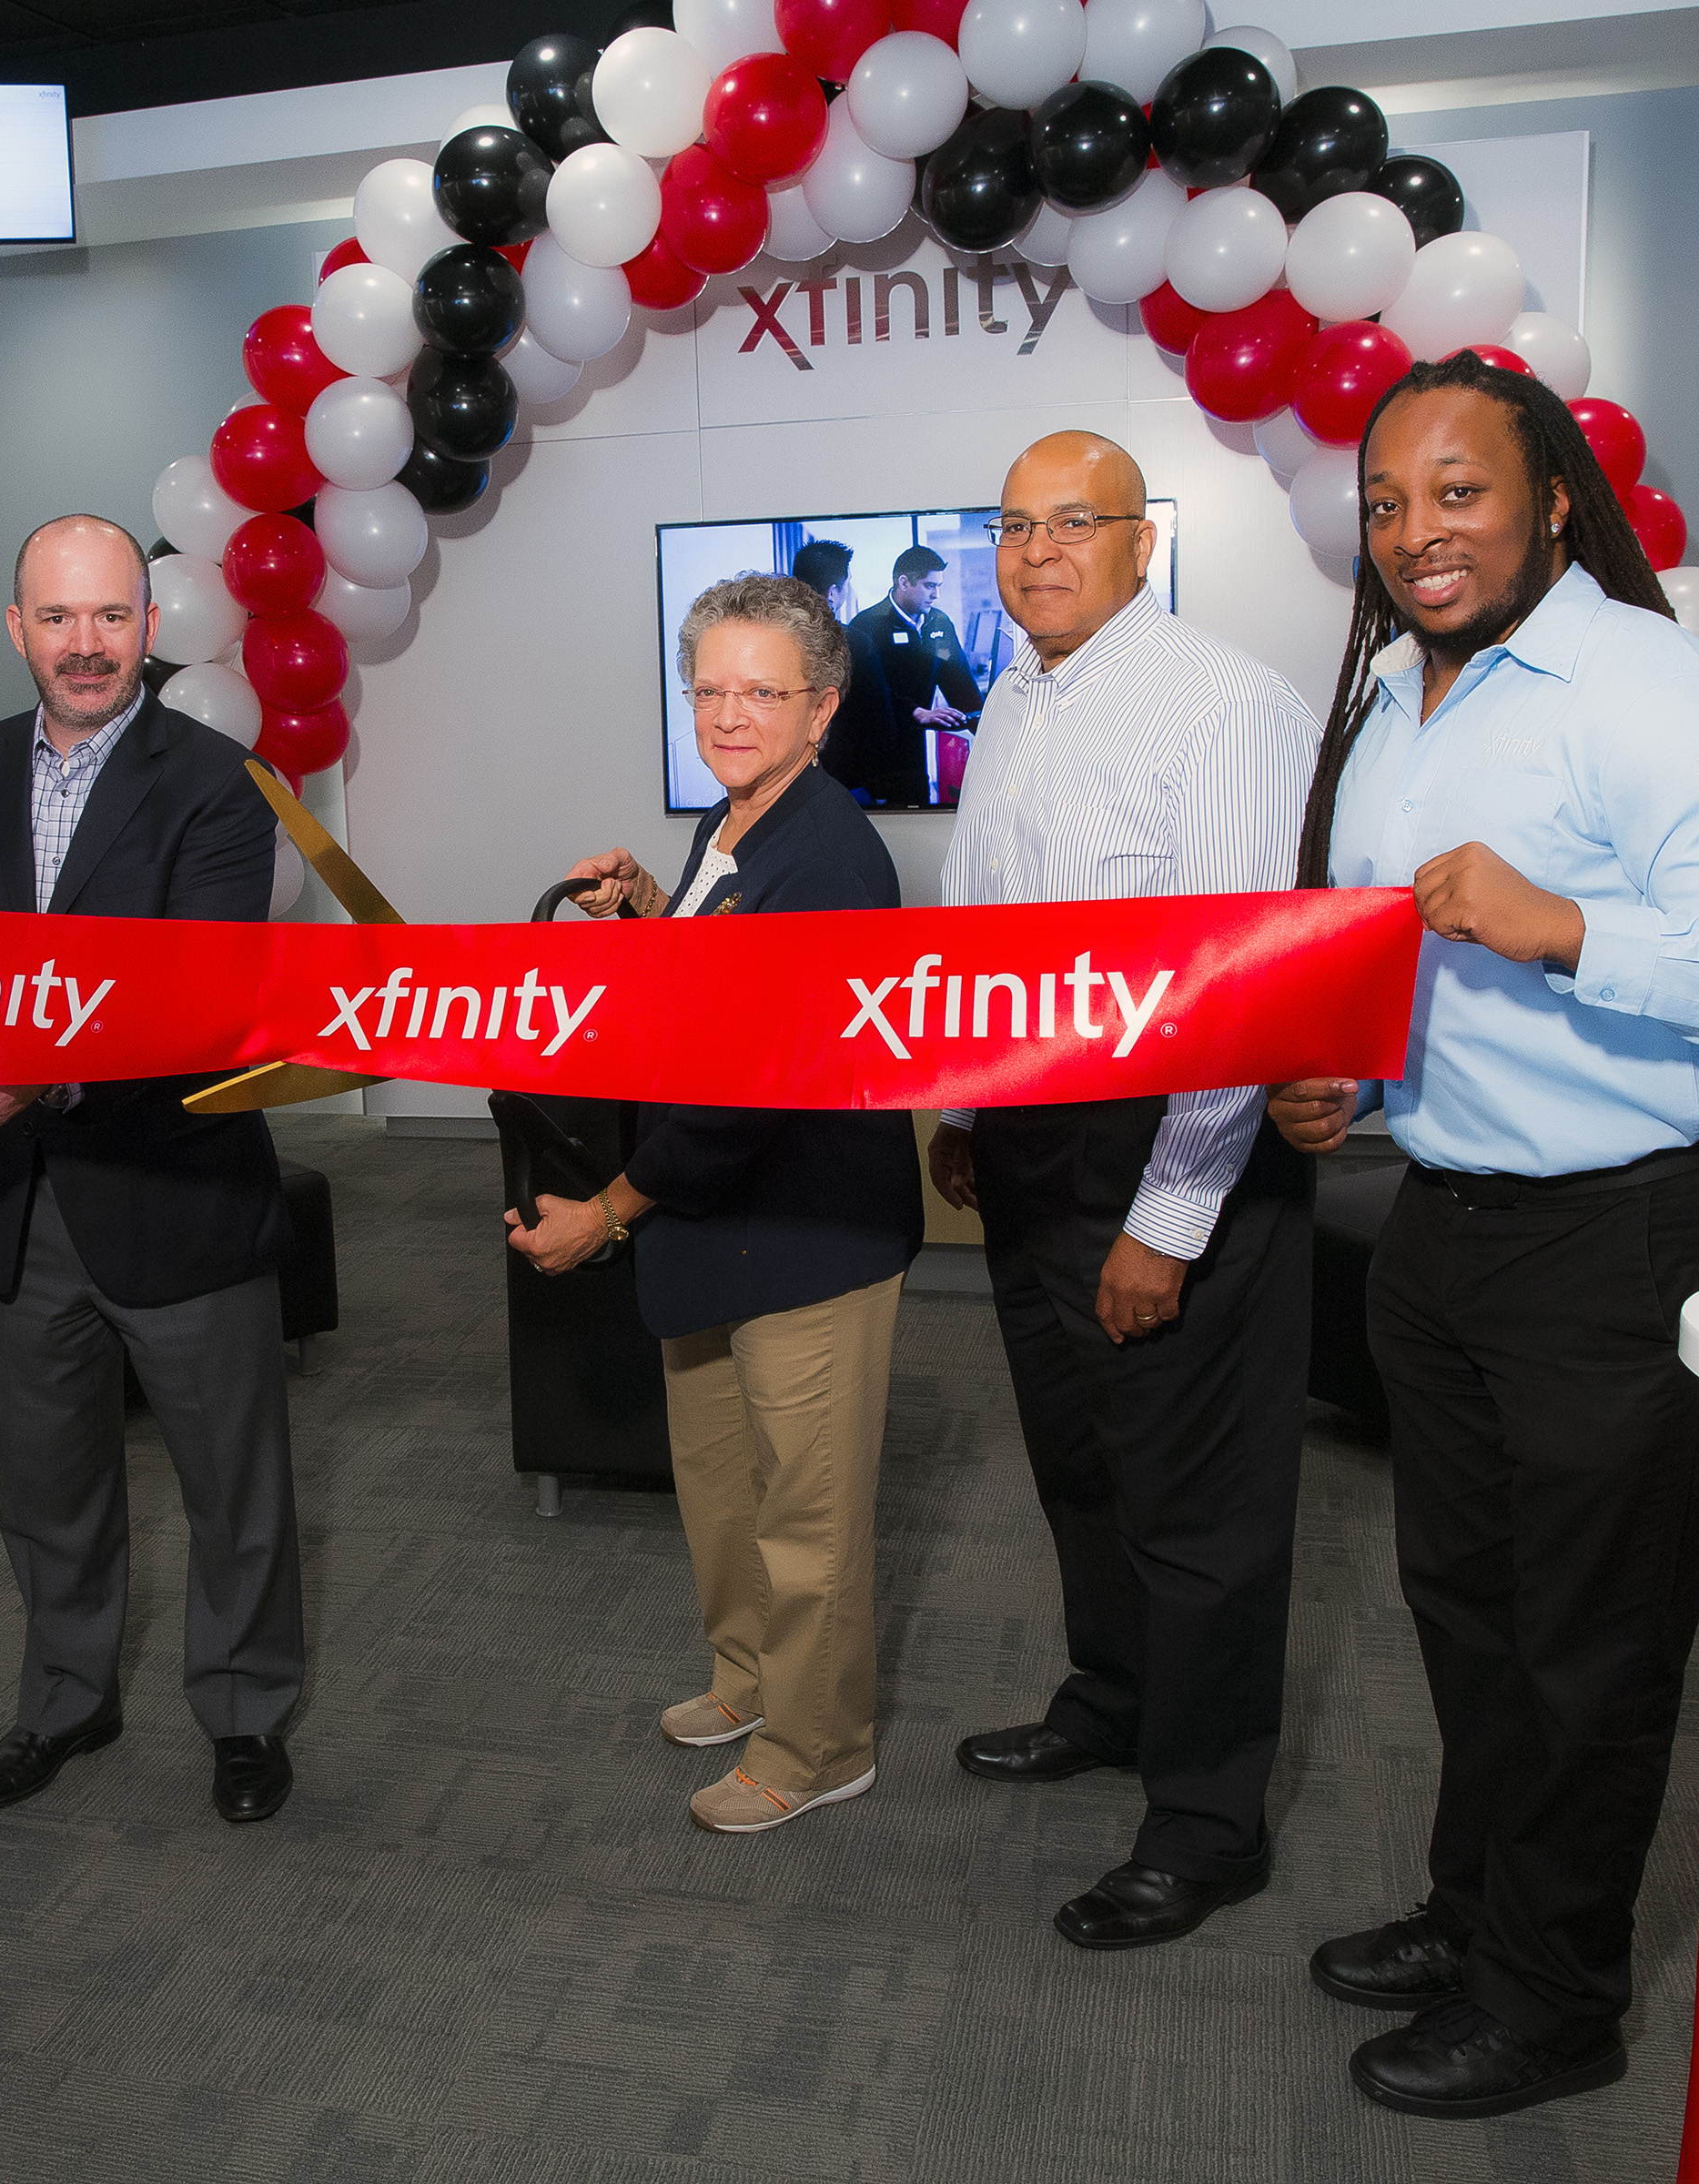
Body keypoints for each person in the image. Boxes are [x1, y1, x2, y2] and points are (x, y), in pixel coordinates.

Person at [1269, 353, 1699, 2118]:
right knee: (1468, 1613)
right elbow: (1402, 965)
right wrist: (1348, 1092)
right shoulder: (1400, 701)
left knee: (1592, 1640)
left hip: (1630, 1235)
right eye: (1388, 502)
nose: (1416, 532)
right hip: (1446, 1219)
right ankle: (1479, 1912)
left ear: (1551, 500)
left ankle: (1558, 1999)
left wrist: (1570, 930)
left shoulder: (1650, 686)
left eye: (1458, 491)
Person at [929, 431, 1318, 1949]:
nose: (1035, 550)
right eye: (1012, 524)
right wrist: (969, 1108)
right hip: (1035, 1148)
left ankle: (1208, 1822)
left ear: (1141, 542)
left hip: (1176, 1155)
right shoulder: (1021, 698)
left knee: (1198, 1504)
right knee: (1082, 1460)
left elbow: (1238, 995)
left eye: (1070, 523)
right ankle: (1113, 1700)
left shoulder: (1220, 708)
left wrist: (1168, 1218)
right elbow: (987, 930)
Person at [0, 513, 304, 1826]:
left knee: (235, 1485)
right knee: (45, 1485)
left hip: (175, 1192)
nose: (85, 645)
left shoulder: (221, 780)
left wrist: (30, 1075)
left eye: (110, 617)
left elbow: (194, 1002)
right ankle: (66, 1700)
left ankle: (243, 1713)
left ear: (150, 628)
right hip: (12, 1206)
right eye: (56, 619)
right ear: (17, 631)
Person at [510, 572, 920, 1835]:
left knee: (807, 1518)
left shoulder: (831, 858)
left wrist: (608, 1213)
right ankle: (748, 1683)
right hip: (716, 1237)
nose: (731, 715)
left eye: (763, 692)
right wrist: (647, 913)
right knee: (725, 1490)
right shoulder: (729, 831)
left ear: (822, 710)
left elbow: (751, 1094)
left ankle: (817, 1745)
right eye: (711, 688)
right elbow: (707, 1001)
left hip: (803, 1237)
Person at [832, 544, 983, 806]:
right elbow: (866, 697)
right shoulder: (866, 627)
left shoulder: (938, 623)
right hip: (877, 756)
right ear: (904, 582)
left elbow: (958, 680)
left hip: (915, 754)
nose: (936, 594)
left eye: (938, 586)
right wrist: (916, 712)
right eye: (929, 586)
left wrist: (982, 721)